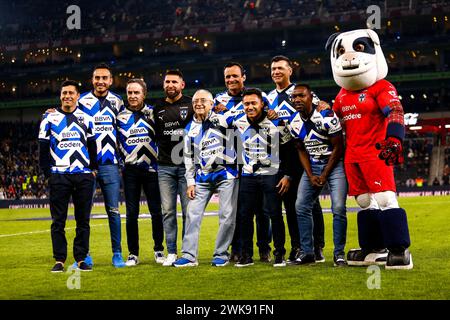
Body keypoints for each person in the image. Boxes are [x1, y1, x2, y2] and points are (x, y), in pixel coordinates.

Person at [326, 29, 412, 269]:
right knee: (364, 201)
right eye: (341, 51)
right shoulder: (341, 95)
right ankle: (373, 247)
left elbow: (395, 111)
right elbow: (333, 123)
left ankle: (399, 250)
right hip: (352, 156)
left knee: (385, 198)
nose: (349, 57)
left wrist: (395, 140)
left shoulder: (381, 87)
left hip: (377, 152)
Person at [45, 63, 126, 268]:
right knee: (84, 213)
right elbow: (67, 112)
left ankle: (117, 254)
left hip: (109, 162)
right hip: (84, 165)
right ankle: (85, 255)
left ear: (110, 80)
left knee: (113, 211)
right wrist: (53, 112)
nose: (100, 81)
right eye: (97, 77)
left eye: (104, 78)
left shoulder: (118, 102)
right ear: (92, 80)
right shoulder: (81, 100)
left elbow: (126, 126)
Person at [266, 55, 326, 263]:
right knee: (291, 205)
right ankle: (299, 247)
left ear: (290, 70)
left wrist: (325, 106)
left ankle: (317, 246)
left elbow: (322, 109)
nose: (276, 72)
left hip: (306, 152)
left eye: (281, 68)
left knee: (310, 203)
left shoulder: (301, 92)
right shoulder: (269, 97)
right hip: (284, 155)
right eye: (273, 69)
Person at [221, 88, 290, 267]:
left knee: (274, 214)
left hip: (271, 174)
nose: (250, 106)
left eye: (253, 103)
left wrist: (287, 174)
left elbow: (289, 150)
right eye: (246, 104)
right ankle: (246, 255)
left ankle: (279, 254)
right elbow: (221, 126)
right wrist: (213, 106)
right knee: (244, 216)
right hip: (248, 175)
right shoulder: (237, 122)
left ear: (262, 104)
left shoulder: (277, 122)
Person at [214, 62, 272, 263]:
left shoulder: (258, 97)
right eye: (227, 77)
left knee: (263, 211)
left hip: (258, 159)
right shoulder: (217, 100)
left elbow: (269, 118)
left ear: (243, 77)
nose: (231, 80)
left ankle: (264, 249)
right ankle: (237, 249)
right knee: (239, 211)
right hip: (232, 162)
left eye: (234, 76)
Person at [173, 90, 238, 267]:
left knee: (226, 215)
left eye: (203, 101)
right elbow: (188, 158)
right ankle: (188, 256)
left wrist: (226, 111)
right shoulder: (189, 128)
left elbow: (242, 124)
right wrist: (190, 182)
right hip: (202, 176)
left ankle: (221, 254)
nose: (199, 104)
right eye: (195, 102)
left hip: (226, 173)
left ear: (212, 103)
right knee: (192, 214)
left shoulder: (223, 119)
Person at [39, 80, 97, 272]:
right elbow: (43, 149)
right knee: (58, 221)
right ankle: (60, 259)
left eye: (71, 93)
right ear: (60, 96)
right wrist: (49, 174)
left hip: (83, 176)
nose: (67, 96)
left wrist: (93, 168)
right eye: (64, 93)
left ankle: (81, 258)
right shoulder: (49, 118)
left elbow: (93, 146)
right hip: (59, 176)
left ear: (78, 96)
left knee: (83, 220)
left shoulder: (87, 118)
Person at [287, 84, 348, 266]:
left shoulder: (327, 116)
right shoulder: (293, 122)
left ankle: (339, 254)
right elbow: (301, 150)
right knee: (301, 206)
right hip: (312, 166)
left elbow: (338, 147)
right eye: (294, 97)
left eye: (301, 96)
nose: (297, 100)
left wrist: (324, 173)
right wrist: (310, 173)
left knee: (338, 208)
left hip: (334, 165)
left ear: (311, 97)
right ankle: (308, 253)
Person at [116, 79, 164, 267]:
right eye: (130, 93)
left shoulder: (154, 113)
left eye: (137, 92)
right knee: (131, 213)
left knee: (156, 212)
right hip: (130, 172)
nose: (133, 96)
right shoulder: (119, 117)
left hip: (152, 169)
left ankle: (159, 249)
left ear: (144, 94)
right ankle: (133, 253)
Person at [152, 69, 194, 266]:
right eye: (167, 81)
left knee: (188, 211)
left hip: (186, 166)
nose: (170, 85)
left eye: (174, 82)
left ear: (182, 85)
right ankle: (171, 252)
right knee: (168, 211)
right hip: (165, 167)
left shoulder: (191, 104)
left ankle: (187, 252)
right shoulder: (157, 108)